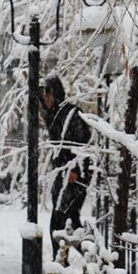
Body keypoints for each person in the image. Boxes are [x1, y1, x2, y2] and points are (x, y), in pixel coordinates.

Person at [40, 75, 92, 260]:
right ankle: (89, 256)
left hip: (73, 176)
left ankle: (87, 256)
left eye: (48, 93)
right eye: (44, 94)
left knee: (61, 220)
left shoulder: (70, 113)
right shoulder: (53, 114)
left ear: (55, 93)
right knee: (66, 220)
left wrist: (76, 170)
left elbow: (83, 143)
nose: (46, 98)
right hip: (61, 174)